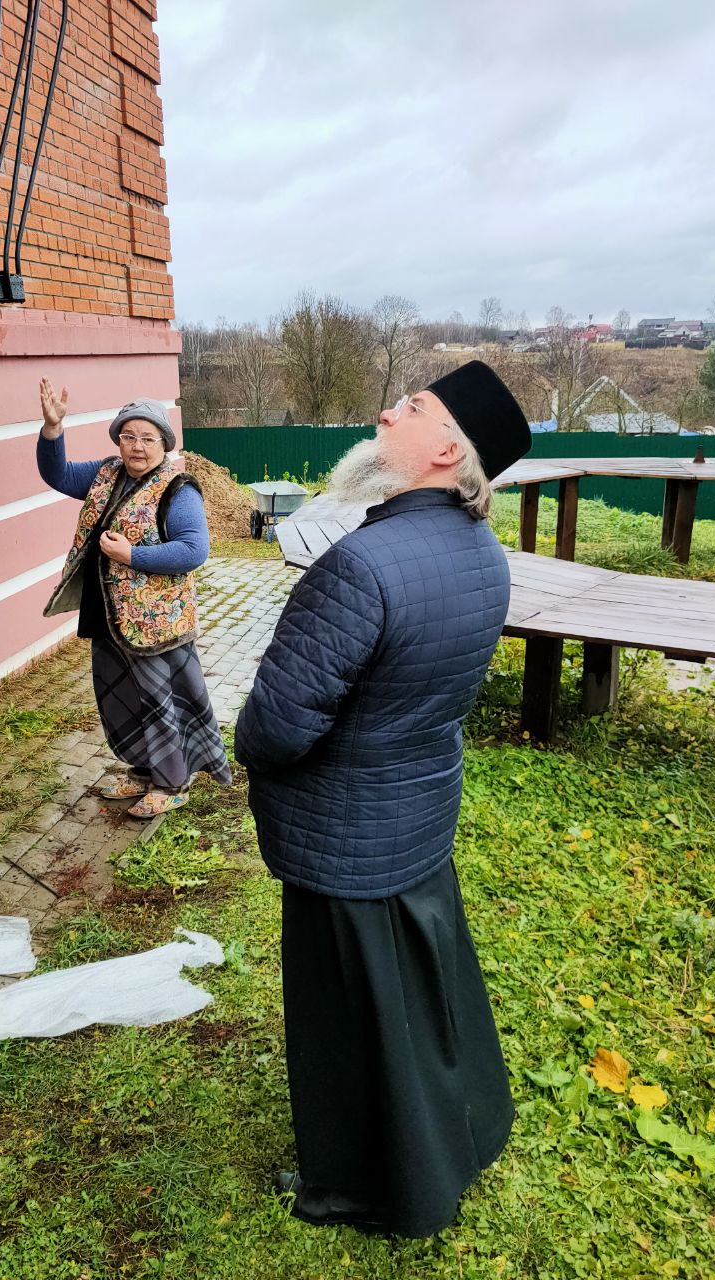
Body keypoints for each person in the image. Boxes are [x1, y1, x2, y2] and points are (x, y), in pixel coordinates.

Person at [234, 360, 532, 1236]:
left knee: (348, 1022)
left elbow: (275, 728)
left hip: (343, 836)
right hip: (417, 820)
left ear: (447, 450)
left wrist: (248, 743)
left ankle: (364, 1187)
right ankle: (465, 1129)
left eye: (412, 405)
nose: (385, 412)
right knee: (424, 994)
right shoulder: (483, 554)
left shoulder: (359, 565)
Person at [37, 378, 231, 817]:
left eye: (147, 438)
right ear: (118, 441)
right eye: (128, 436)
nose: (137, 447)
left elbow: (194, 550)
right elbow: (57, 474)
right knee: (121, 697)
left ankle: (173, 782)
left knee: (159, 701)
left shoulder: (178, 490)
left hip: (154, 623)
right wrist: (53, 430)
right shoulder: (107, 474)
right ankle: (143, 770)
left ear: (164, 443)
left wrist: (132, 555)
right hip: (107, 614)